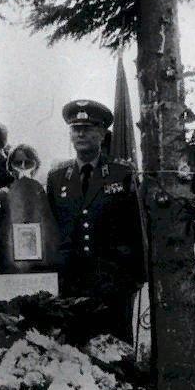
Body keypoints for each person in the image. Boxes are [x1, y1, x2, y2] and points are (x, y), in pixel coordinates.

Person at [46, 99, 145, 344]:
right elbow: (52, 229)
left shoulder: (122, 174)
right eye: (75, 129)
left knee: (116, 349)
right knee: (73, 351)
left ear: (102, 133)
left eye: (88, 128)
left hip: (112, 281)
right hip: (71, 282)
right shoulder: (57, 178)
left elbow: (136, 228)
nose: (80, 134)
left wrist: (133, 277)